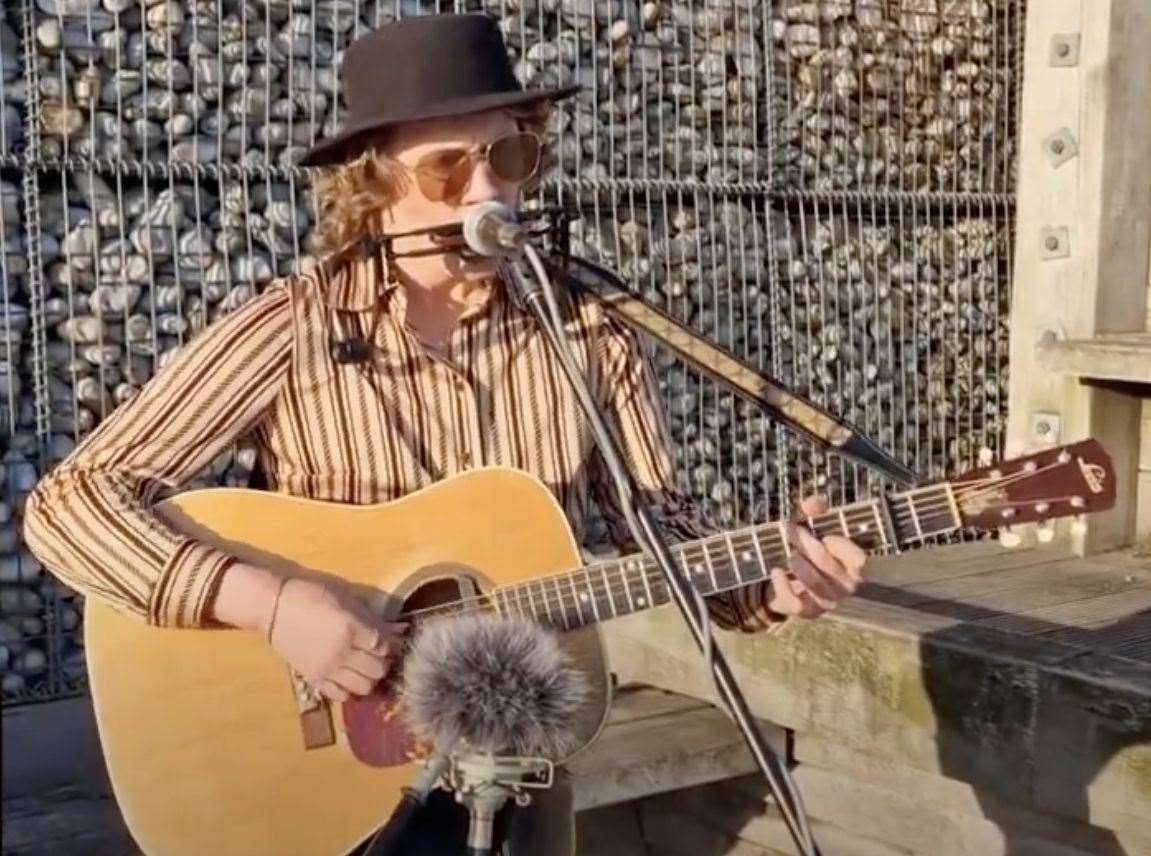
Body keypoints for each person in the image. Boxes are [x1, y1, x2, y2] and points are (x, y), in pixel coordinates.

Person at [21, 13, 867, 855]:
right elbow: (68, 505)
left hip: (516, 752)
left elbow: (659, 523)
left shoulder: (590, 333)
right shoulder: (294, 328)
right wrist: (273, 604)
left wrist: (771, 586)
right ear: (374, 184)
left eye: (508, 157)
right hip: (337, 758)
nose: (485, 193)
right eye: (446, 168)